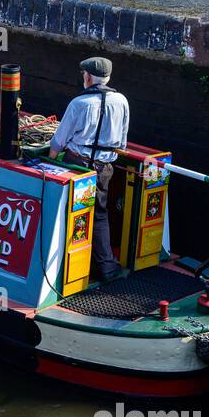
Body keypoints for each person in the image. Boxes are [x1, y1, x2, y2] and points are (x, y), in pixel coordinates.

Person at [49, 57, 130, 282]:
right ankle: (105, 267)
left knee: (70, 213)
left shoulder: (79, 104)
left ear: (87, 77)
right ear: (109, 78)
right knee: (100, 214)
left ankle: (69, 269)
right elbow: (122, 143)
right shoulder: (122, 101)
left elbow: (59, 140)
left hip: (77, 164)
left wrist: (51, 160)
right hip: (104, 168)